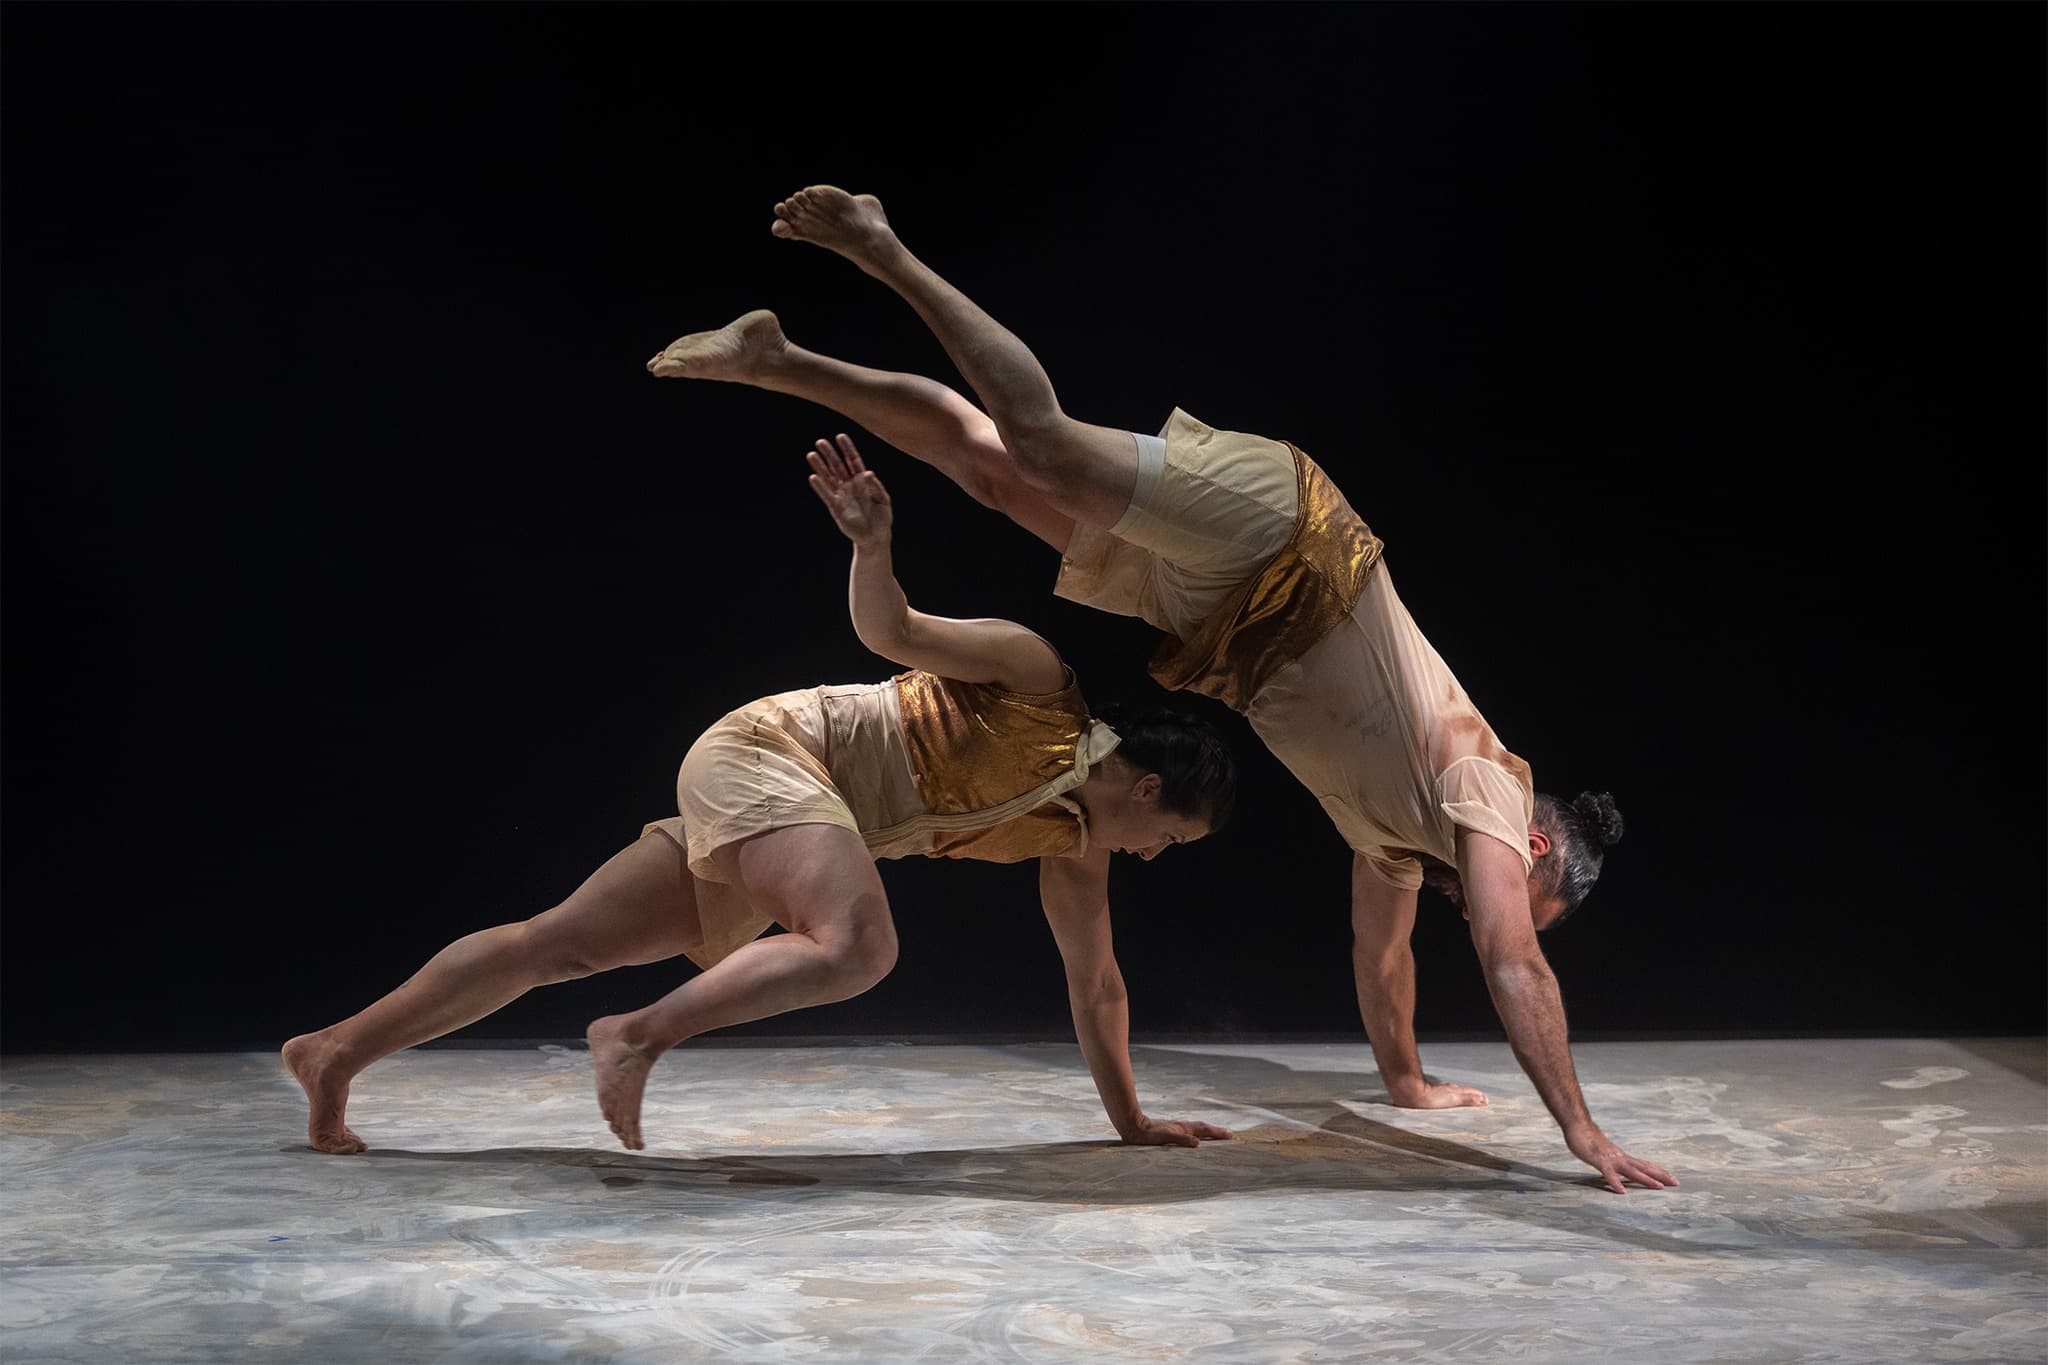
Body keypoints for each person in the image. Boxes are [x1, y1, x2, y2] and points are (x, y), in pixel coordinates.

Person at [644, 185, 1675, 1194]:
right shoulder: (1485, 792)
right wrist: (1579, 1132)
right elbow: (1511, 965)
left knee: (988, 467)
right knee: (1041, 440)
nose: (1482, 907)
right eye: (1519, 898)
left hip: (1214, 622)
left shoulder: (1403, 839)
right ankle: (881, 246)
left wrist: (1405, 1083)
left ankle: (777, 359)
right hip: (1293, 546)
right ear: (1533, 850)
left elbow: (1381, 956)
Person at [282, 434, 1237, 1156]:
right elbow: (891, 630)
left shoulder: (1071, 848)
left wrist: (1133, 1122)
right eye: (1170, 837)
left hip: (794, 815)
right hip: (774, 751)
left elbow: (1096, 983)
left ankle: (334, 1054)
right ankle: (635, 1035)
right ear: (1149, 785)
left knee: (557, 943)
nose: (1152, 855)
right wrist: (873, 545)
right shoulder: (1036, 679)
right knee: (860, 945)